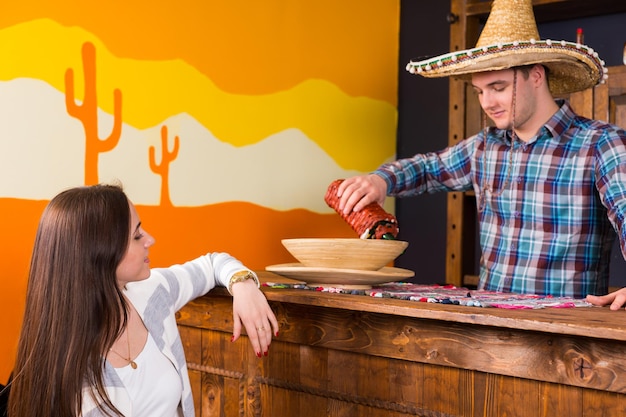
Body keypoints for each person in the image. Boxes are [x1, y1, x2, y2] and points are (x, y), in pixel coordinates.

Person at [334, 0, 626, 305]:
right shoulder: (484, 147)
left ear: (536, 76)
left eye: (498, 87)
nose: (486, 102)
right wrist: (381, 181)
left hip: (562, 333)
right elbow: (428, 168)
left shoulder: (600, 144)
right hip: (486, 329)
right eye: (479, 91)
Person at [8, 183, 279, 417]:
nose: (150, 239)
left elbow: (212, 264)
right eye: (137, 235)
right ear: (99, 253)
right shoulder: (61, 365)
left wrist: (243, 284)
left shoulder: (152, 293)